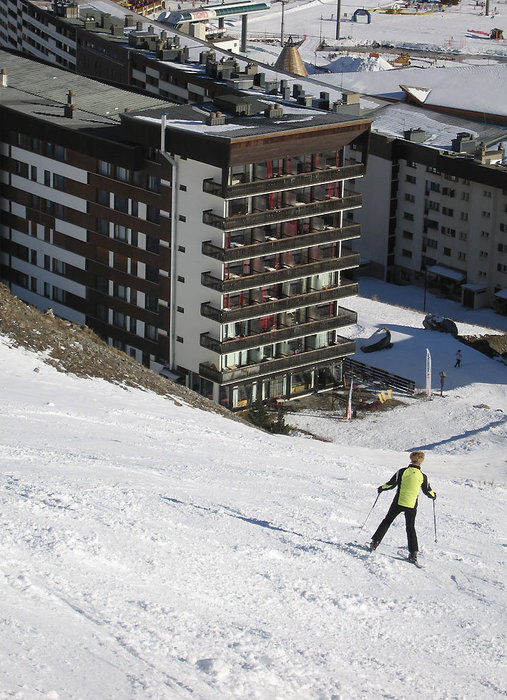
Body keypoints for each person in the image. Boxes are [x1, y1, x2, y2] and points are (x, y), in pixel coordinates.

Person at [369, 451, 436, 563]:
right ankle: (413, 553)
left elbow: (391, 484)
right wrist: (434, 495)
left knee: (387, 521)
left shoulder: (402, 471)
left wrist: (381, 488)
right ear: (421, 460)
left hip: (398, 502)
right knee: (410, 528)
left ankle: (375, 542)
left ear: (411, 458)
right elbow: (427, 491)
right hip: (412, 505)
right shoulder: (423, 476)